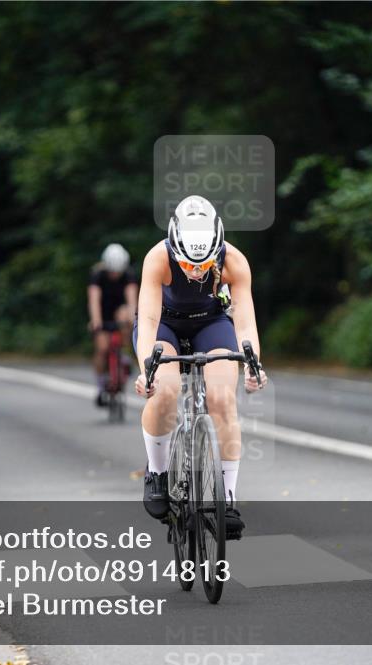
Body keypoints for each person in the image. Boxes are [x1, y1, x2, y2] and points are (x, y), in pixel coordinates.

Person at [133, 195, 268, 539]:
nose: (195, 271)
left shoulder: (234, 261)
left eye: (204, 264)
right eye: (188, 264)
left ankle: (229, 499)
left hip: (211, 323)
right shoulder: (158, 258)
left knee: (223, 399)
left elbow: (245, 323)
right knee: (166, 391)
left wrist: (253, 365)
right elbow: (147, 322)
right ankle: (158, 473)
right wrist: (145, 370)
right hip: (164, 324)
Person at [88, 243, 138, 405]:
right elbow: (94, 300)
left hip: (119, 312)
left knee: (127, 316)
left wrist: (133, 318)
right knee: (102, 348)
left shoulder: (128, 275)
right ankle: (101, 384)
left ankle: (124, 354)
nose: (115, 274)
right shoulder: (98, 275)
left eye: (118, 271)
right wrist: (96, 321)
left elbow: (132, 300)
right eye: (112, 271)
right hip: (103, 313)